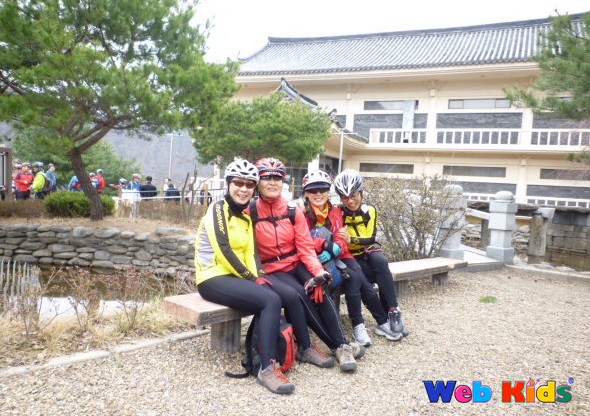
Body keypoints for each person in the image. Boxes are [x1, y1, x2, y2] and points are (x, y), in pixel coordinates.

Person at [251, 157, 363, 372]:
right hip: (272, 269)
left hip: (296, 262)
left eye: (277, 178)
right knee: (300, 294)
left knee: (320, 287)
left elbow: (305, 247)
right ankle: (321, 346)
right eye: (267, 178)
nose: (273, 182)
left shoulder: (292, 210)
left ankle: (341, 346)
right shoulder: (251, 211)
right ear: (258, 182)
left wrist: (318, 272)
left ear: (283, 182)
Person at [195, 159, 294, 395]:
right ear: (228, 184)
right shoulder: (218, 209)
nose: (244, 189)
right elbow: (224, 249)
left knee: (272, 296)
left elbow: (251, 253)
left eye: (250, 184)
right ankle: (267, 369)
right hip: (212, 278)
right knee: (270, 300)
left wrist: (259, 276)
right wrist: (251, 278)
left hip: (234, 278)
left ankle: (257, 358)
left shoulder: (246, 217)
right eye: (238, 183)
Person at [301, 170, 402, 346]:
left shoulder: (335, 211)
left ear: (328, 192)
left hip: (341, 255)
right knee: (357, 280)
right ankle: (369, 323)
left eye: (322, 189)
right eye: (313, 190)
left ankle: (372, 323)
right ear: (306, 193)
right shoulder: (302, 213)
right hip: (317, 260)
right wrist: (325, 245)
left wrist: (337, 246)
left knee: (360, 279)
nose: (318, 194)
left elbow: (342, 235)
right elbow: (302, 239)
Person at [334, 169, 409, 339]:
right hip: (349, 260)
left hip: (365, 255)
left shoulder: (370, 210)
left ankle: (393, 311)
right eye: (345, 197)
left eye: (354, 195)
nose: (350, 201)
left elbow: (370, 238)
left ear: (361, 192)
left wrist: (351, 239)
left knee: (380, 260)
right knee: (367, 276)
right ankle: (384, 321)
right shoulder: (337, 212)